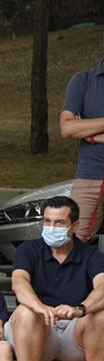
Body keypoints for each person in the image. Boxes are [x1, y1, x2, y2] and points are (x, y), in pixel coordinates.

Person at [8, 195, 104, 361]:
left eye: (59, 223)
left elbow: (102, 288)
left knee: (100, 317)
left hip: (75, 336)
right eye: (47, 221)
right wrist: (40, 307)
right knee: (25, 312)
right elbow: (19, 283)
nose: (52, 227)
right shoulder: (28, 250)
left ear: (75, 226)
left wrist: (80, 309)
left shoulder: (92, 256)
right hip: (40, 334)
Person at [61, 48, 104, 242]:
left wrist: (92, 135)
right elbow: (67, 128)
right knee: (70, 244)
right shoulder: (83, 81)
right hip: (90, 176)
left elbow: (77, 128)